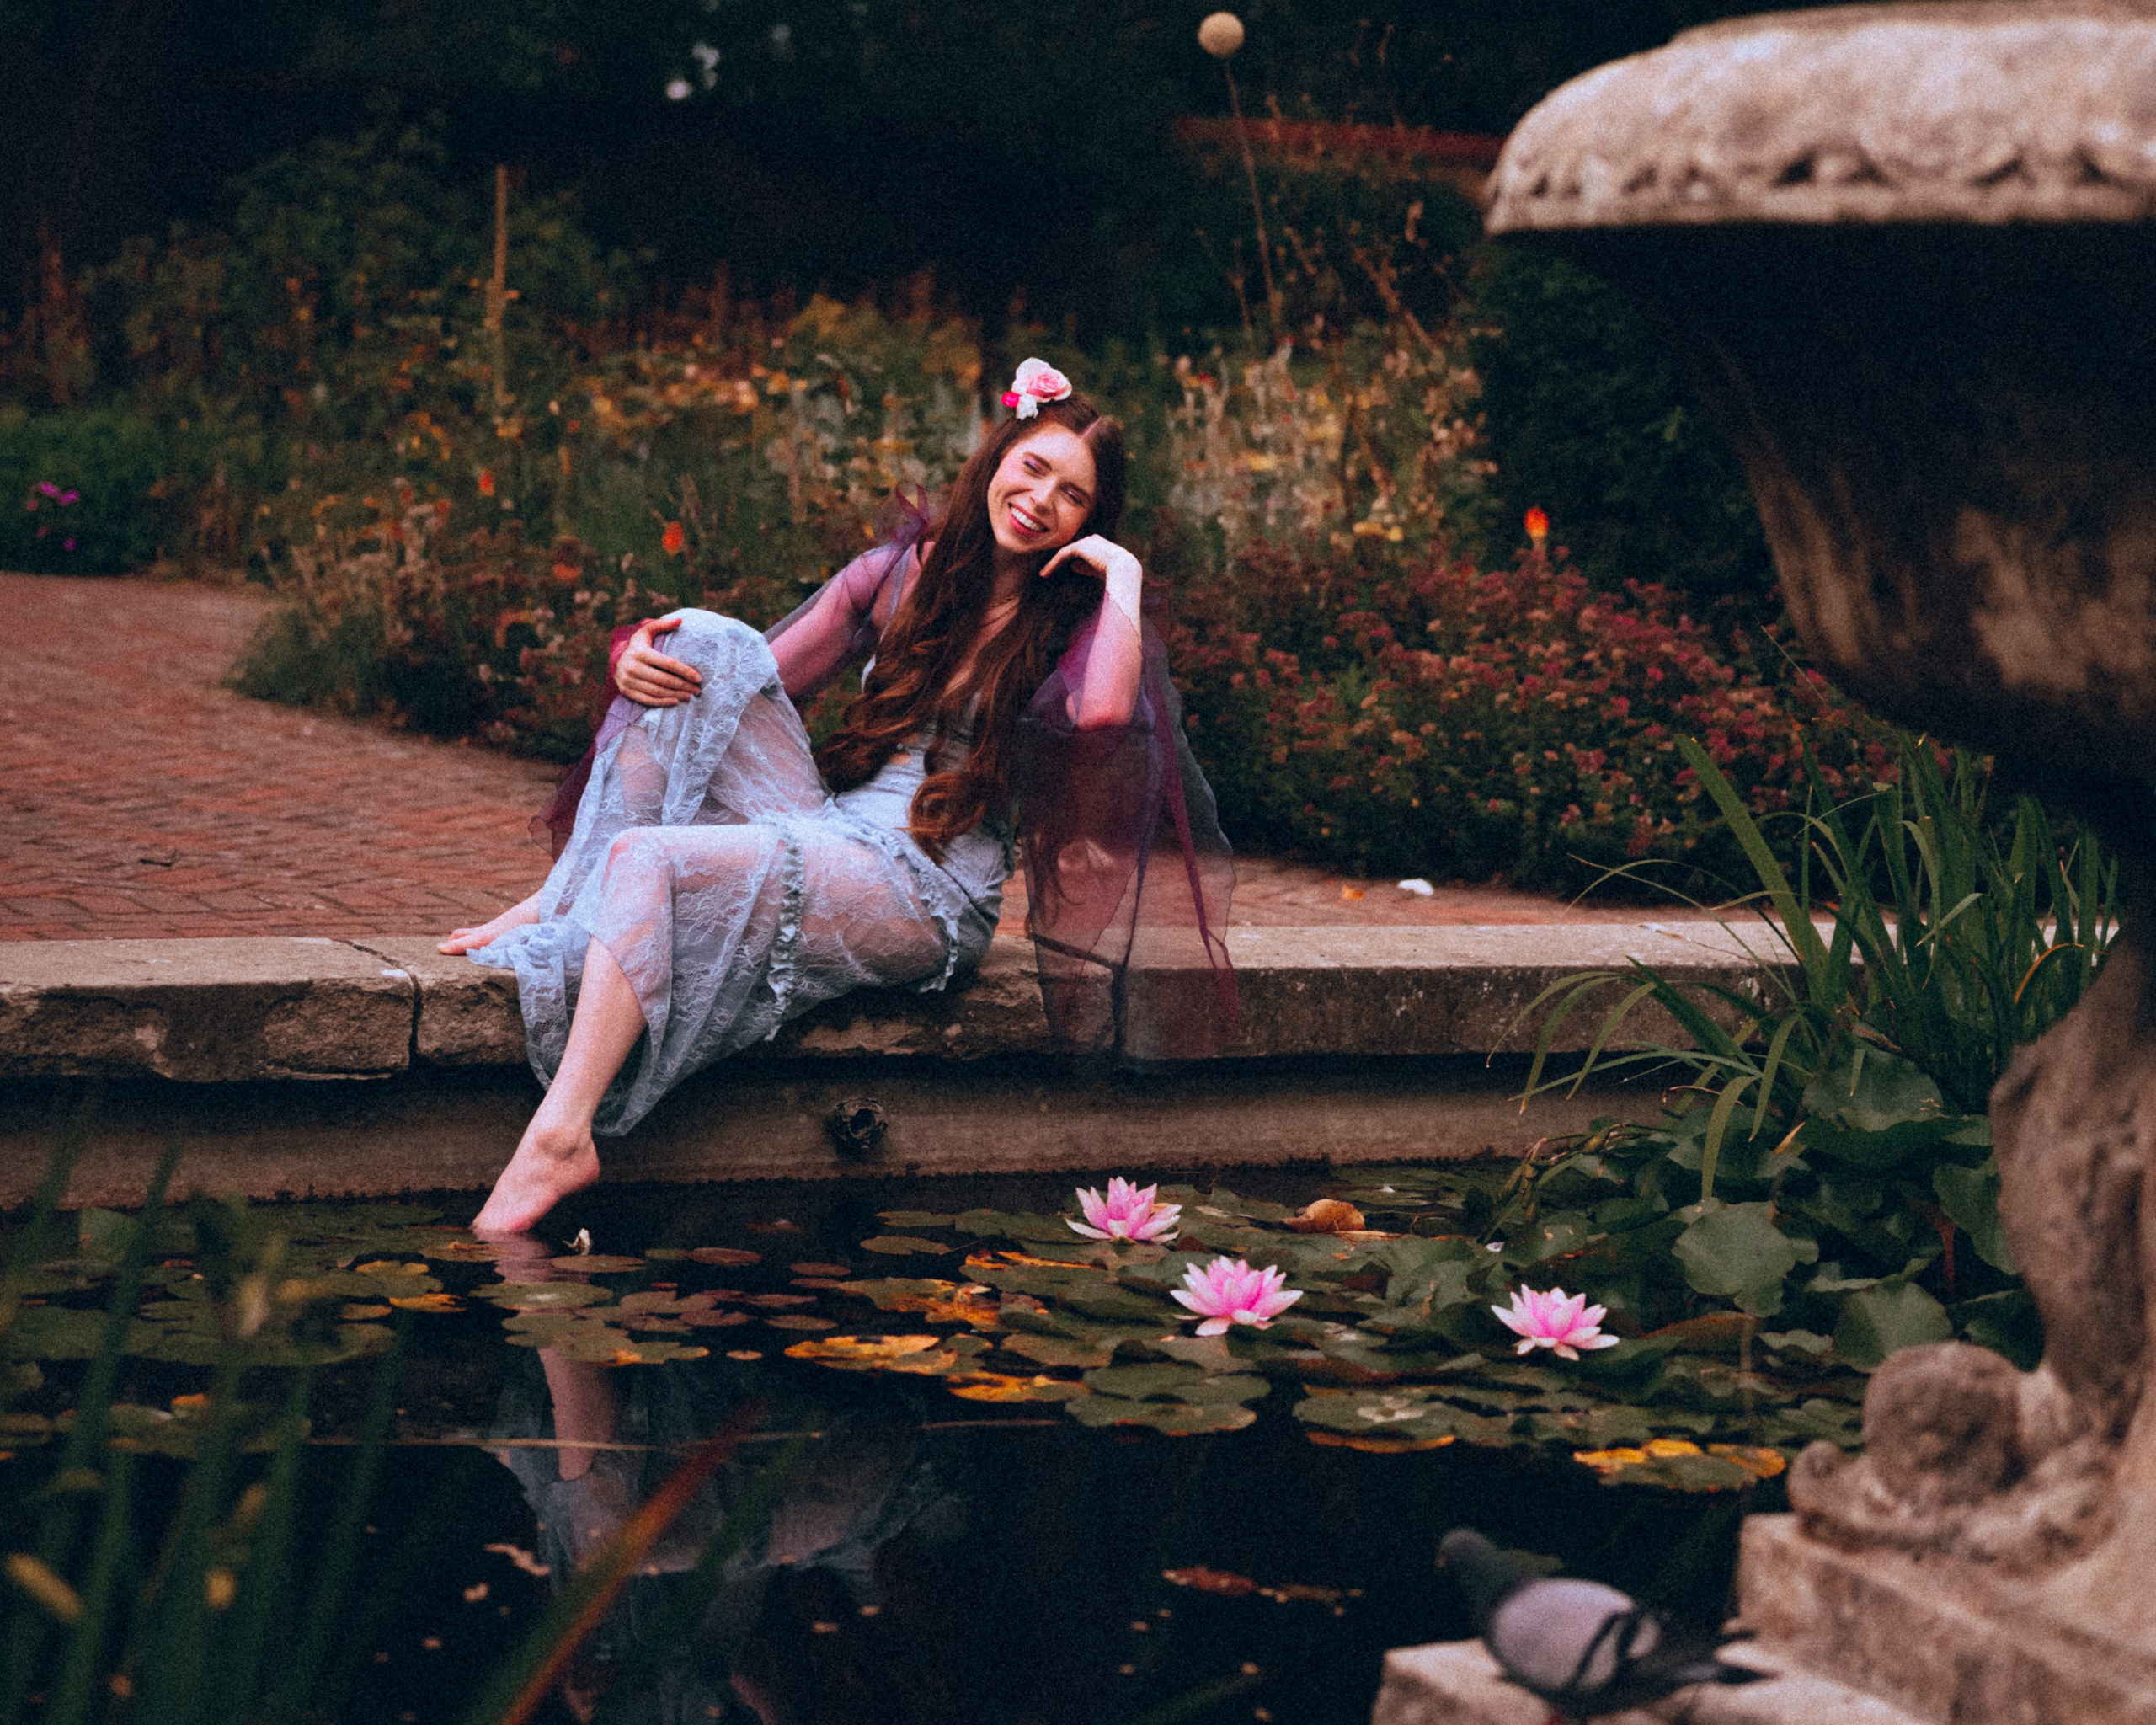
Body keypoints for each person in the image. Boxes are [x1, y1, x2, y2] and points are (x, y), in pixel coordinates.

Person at [440, 361, 1235, 1236]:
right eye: (1033, 468)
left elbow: (1105, 715)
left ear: (1091, 522)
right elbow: (731, 687)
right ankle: (563, 898)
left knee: (647, 859)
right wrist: (631, 655)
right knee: (702, 636)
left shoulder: (1077, 618)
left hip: (929, 885)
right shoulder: (901, 572)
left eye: (1074, 496)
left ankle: (561, 1136)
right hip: (838, 823)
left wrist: (1120, 579)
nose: (1042, 500)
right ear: (999, 456)